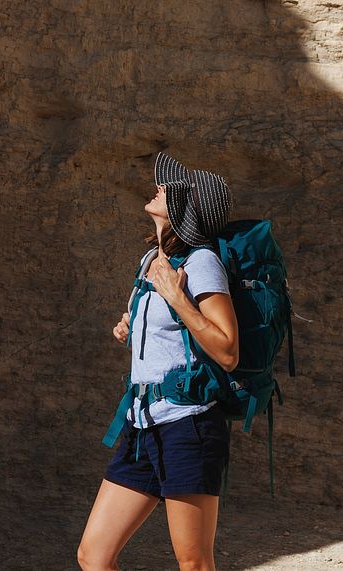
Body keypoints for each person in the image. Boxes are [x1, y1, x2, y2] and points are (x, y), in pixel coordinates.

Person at [78, 152, 239, 571]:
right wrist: (130, 322)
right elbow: (166, 329)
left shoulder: (203, 263)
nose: (160, 187)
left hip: (189, 425)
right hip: (142, 421)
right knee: (94, 556)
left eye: (171, 188)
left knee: (194, 563)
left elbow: (227, 350)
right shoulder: (150, 261)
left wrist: (176, 299)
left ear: (185, 208)